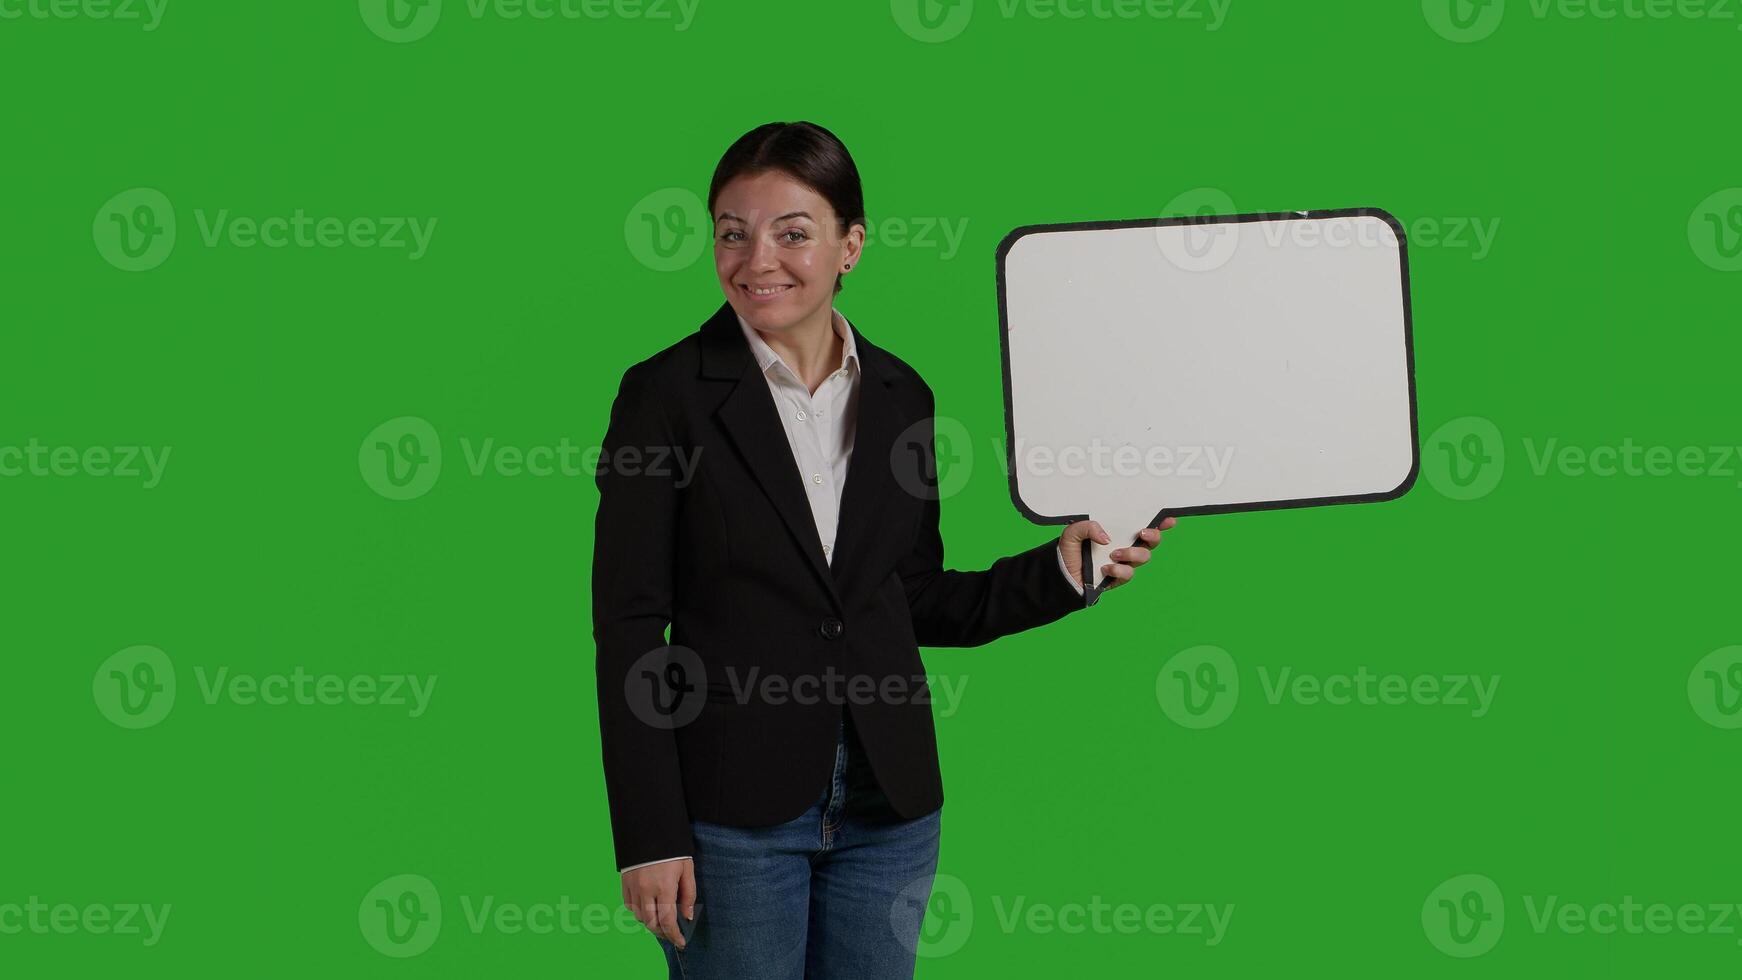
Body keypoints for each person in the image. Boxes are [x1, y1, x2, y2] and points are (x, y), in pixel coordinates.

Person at [593, 120, 1174, 979]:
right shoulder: (664, 396)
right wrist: (647, 835)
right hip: (732, 816)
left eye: (793, 233)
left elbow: (914, 595)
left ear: (850, 245)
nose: (758, 259)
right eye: (732, 232)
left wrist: (1059, 572)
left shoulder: (904, 395)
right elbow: (631, 626)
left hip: (889, 810)